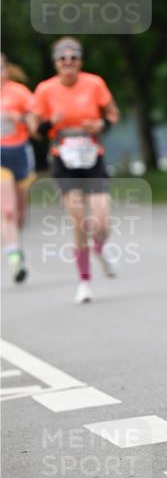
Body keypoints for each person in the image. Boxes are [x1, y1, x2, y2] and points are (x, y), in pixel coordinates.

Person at [31, 38, 120, 304]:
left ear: (80, 61)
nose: (68, 63)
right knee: (80, 222)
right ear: (55, 63)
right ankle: (84, 282)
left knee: (102, 221)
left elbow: (113, 114)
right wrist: (49, 124)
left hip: (92, 158)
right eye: (62, 58)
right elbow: (35, 129)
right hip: (63, 160)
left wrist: (101, 124)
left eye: (73, 58)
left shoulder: (94, 83)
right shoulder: (45, 90)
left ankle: (100, 248)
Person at [0, 54, 36, 282]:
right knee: (8, 211)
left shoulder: (19, 92)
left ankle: (16, 243)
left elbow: (35, 118)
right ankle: (14, 259)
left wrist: (19, 118)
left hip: (21, 152)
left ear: (5, 70)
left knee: (21, 213)